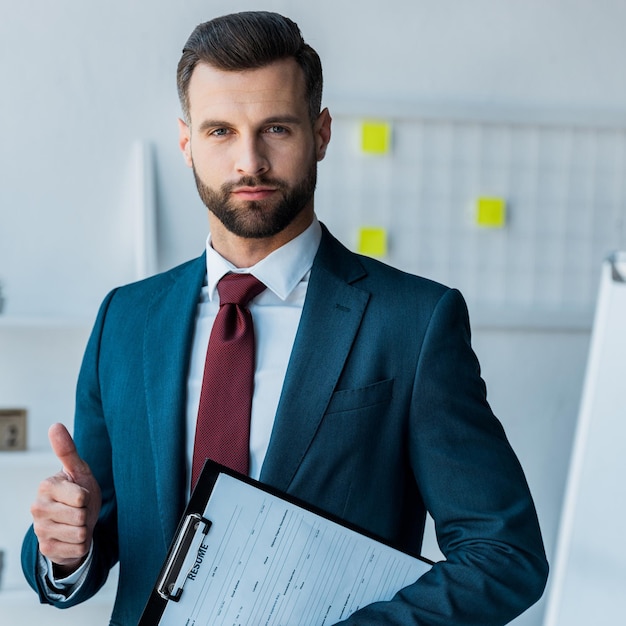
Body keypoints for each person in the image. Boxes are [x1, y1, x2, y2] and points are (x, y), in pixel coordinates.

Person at [22, 11, 548, 625]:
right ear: (187, 141)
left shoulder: (415, 322)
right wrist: (64, 549)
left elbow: (504, 552)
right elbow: (98, 523)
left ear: (320, 133)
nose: (250, 161)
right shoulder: (126, 319)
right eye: (220, 131)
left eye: (275, 128)